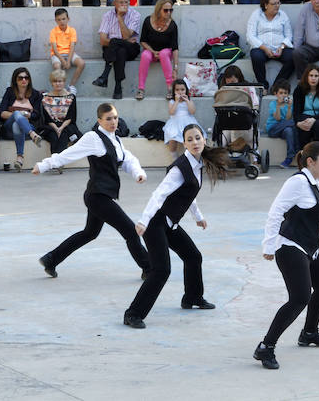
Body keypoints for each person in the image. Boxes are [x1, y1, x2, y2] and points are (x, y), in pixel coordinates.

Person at [124, 124, 229, 328]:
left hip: (169, 223)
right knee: (161, 270)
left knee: (193, 256)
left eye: (197, 138)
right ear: (184, 144)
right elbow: (159, 194)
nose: (195, 142)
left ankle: (192, 298)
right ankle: (133, 314)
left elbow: (189, 195)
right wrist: (144, 220)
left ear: (204, 140)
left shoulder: (197, 164)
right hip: (155, 223)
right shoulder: (180, 168)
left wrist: (198, 217)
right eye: (189, 139)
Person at [254, 141, 319, 370]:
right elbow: (275, 212)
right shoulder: (297, 182)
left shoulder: (316, 185)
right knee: (300, 297)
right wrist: (268, 246)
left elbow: (315, 225)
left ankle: (309, 333)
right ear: (310, 162)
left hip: (310, 247)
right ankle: (266, 346)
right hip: (290, 246)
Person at [33, 103, 150, 279]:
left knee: (90, 233)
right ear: (99, 121)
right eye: (108, 119)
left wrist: (138, 173)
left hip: (101, 195)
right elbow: (69, 153)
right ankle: (149, 269)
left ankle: (51, 259)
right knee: (130, 231)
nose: (113, 122)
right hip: (98, 197)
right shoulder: (93, 138)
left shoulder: (115, 139)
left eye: (115, 118)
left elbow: (128, 159)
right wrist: (44, 165)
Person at [92, 0, 141, 100]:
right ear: (114, 3)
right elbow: (103, 41)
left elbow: (127, 35)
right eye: (121, 2)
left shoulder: (135, 15)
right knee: (120, 51)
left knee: (116, 43)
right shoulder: (107, 16)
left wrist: (119, 18)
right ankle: (118, 87)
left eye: (126, 2)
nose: (124, 5)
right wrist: (124, 40)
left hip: (131, 49)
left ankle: (105, 75)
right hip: (113, 48)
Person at [0, 67, 44, 172]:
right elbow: (2, 113)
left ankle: (19, 158)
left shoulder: (36, 94)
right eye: (20, 78)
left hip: (25, 128)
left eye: (26, 78)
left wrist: (26, 116)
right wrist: (18, 115)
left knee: (17, 125)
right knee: (17, 115)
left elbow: (37, 115)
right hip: (8, 129)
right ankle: (33, 135)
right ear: (15, 80)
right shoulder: (10, 92)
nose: (24, 80)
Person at [246, 0, 294, 89]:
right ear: (266, 5)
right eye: (273, 4)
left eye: (278, 3)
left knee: (294, 56)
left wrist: (282, 47)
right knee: (256, 56)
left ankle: (277, 86)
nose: (277, 6)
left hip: (279, 49)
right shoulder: (256, 14)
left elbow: (289, 35)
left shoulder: (283, 15)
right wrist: (264, 48)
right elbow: (250, 35)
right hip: (262, 48)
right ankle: (263, 85)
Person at [137, 0, 179, 100]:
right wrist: (153, 51)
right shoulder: (148, 21)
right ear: (158, 10)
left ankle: (170, 87)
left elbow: (175, 47)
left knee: (164, 53)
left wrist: (176, 68)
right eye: (165, 10)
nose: (168, 13)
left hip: (166, 52)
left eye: (170, 10)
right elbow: (142, 41)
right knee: (145, 55)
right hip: (151, 51)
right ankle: (141, 88)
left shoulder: (172, 25)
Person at [40, 69, 79, 156]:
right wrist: (56, 128)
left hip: (66, 125)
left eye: (60, 81)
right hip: (51, 126)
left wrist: (60, 128)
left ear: (64, 82)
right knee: (54, 135)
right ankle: (58, 160)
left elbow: (71, 117)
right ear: (51, 83)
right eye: (55, 81)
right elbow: (47, 119)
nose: (57, 83)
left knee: (63, 134)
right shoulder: (45, 98)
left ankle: (58, 160)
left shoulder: (71, 97)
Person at [47, 8, 85, 94]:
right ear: (56, 21)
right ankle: (61, 89)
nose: (62, 21)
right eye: (59, 20)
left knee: (81, 63)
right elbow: (55, 49)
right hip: (57, 55)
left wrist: (68, 61)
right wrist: (63, 61)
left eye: (64, 19)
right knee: (57, 66)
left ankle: (71, 86)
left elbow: (72, 47)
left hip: (69, 54)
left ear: (68, 19)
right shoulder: (53, 31)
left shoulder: (72, 30)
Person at [293, 64, 319, 147]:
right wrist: (298, 123)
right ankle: (304, 152)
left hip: (318, 117)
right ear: (307, 77)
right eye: (311, 75)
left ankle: (318, 151)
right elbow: (296, 110)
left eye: (316, 76)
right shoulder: (299, 89)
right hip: (303, 116)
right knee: (304, 124)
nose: (313, 78)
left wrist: (313, 119)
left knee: (318, 125)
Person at [163, 80, 199, 158]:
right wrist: (176, 101)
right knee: (172, 139)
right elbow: (171, 112)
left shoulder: (189, 101)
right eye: (177, 90)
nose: (180, 92)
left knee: (190, 139)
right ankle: (176, 159)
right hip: (175, 123)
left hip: (188, 121)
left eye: (182, 90)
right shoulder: (172, 101)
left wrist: (187, 101)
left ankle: (190, 160)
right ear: (174, 91)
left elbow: (192, 111)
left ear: (186, 90)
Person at [266, 79, 297, 169]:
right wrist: (278, 106)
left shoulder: (289, 104)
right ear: (276, 94)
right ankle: (298, 148)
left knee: (289, 130)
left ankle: (289, 157)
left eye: (285, 93)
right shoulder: (273, 104)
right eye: (281, 93)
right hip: (273, 129)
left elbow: (287, 118)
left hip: (284, 129)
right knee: (293, 124)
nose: (283, 95)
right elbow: (278, 118)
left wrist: (289, 107)